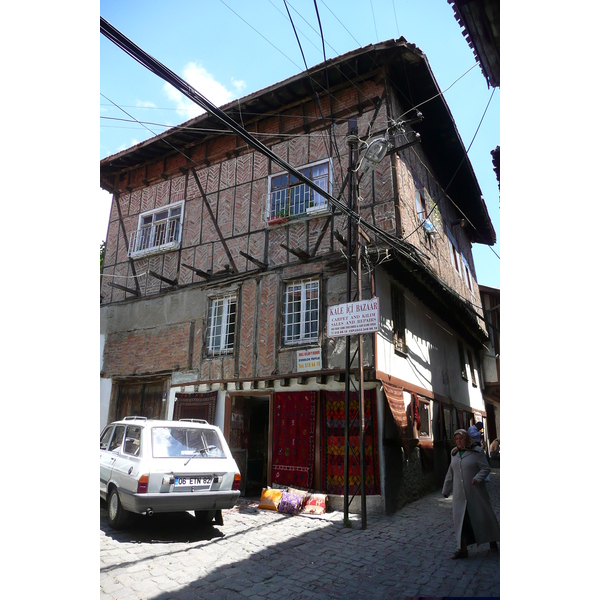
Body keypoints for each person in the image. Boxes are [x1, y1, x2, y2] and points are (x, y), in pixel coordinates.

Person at [442, 428, 500, 559]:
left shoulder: (477, 452)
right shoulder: (454, 453)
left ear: (467, 439)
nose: (458, 441)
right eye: (456, 439)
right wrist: (446, 490)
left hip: (476, 493)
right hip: (459, 495)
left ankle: (492, 541)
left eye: (461, 439)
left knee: (483, 517)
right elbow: (451, 473)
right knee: (461, 521)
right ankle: (462, 549)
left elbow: (486, 468)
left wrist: (478, 478)